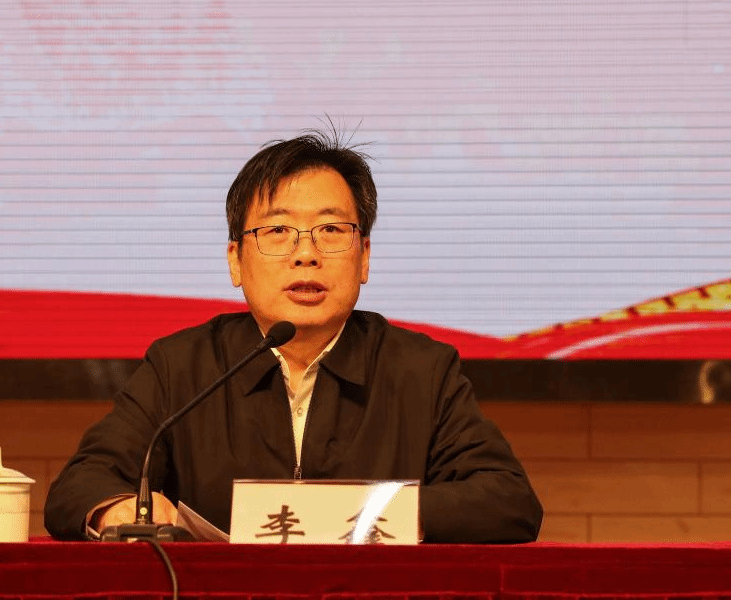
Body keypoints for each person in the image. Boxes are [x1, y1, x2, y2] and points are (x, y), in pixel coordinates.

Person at [44, 129, 543, 543]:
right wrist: (120, 509)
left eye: (331, 231)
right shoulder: (183, 366)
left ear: (364, 257)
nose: (306, 254)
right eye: (278, 231)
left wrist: (354, 514)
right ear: (236, 260)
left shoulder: (420, 369)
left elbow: (509, 501)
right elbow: (80, 485)